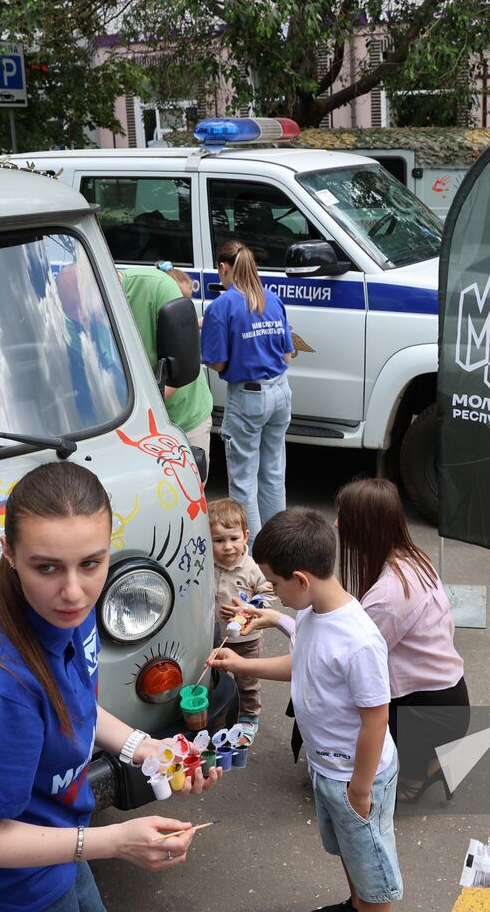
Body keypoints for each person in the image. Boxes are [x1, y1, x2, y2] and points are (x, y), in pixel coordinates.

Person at [0, 462, 220, 911]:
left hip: (60, 846)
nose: (75, 592)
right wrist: (115, 841)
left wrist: (146, 748)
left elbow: (71, 703)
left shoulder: (64, 613)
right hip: (10, 889)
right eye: (47, 567)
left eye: (91, 563)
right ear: (9, 552)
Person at [208, 509, 403, 912]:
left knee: (375, 877)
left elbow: (376, 720)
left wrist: (360, 790)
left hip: (356, 776)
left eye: (275, 583)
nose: (273, 591)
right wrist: (242, 664)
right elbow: (304, 664)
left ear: (300, 579)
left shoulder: (359, 642)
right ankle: (356, 903)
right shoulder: (312, 612)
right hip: (327, 768)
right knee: (351, 852)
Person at [334, 478, 468, 803]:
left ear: (366, 527)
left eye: (343, 517)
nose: (336, 524)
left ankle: (420, 769)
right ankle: (427, 760)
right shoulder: (412, 558)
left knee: (346, 708)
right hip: (447, 700)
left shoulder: (388, 595)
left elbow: (350, 655)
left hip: (427, 715)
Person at [201, 240, 296, 539]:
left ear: (223, 267)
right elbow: (287, 356)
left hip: (248, 397)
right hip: (281, 392)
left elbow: (217, 363)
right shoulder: (272, 299)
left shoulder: (221, 306)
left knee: (243, 483)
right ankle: (278, 548)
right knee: (273, 475)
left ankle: (251, 557)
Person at [120, 266, 215, 474]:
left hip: (185, 418)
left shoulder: (156, 288)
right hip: (141, 426)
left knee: (190, 483)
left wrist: (132, 409)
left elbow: (177, 371)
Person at [207, 497, 275, 742]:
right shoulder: (207, 564)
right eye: (219, 540)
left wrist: (246, 610)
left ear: (246, 536)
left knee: (247, 682)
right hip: (215, 636)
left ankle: (248, 717)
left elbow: (269, 594)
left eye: (233, 539)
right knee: (215, 677)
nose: (227, 547)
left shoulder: (252, 569)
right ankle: (220, 711)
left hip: (246, 640)